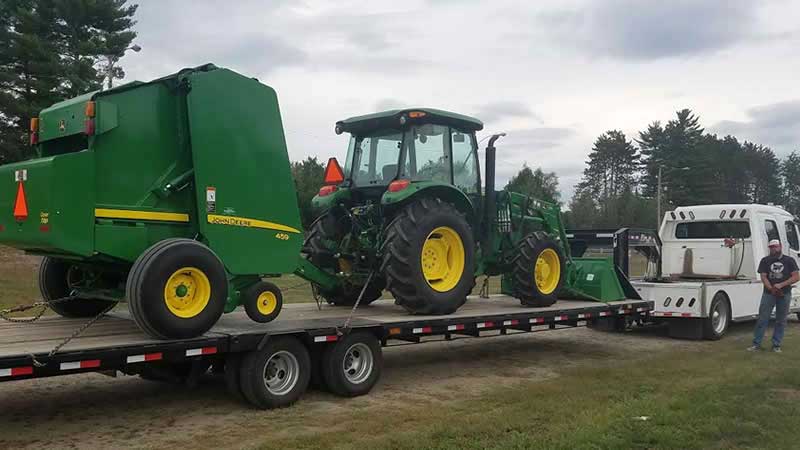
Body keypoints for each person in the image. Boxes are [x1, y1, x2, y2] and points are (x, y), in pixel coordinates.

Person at [748, 239, 799, 352]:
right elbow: (763, 276)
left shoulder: (789, 260)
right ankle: (756, 344)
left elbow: (796, 277)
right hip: (768, 294)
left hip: (784, 293)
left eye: (775, 246)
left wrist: (781, 285)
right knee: (762, 318)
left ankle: (776, 345)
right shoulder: (765, 260)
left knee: (781, 320)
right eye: (771, 247)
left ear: (780, 246)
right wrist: (771, 289)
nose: (774, 249)